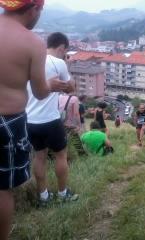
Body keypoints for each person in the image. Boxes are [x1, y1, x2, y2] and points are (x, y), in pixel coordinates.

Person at [0, 1, 68, 239]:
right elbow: (40, 92)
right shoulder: (32, 43)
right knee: (2, 190)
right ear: (34, 9)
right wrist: (51, 85)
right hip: (7, 122)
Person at [26, 32, 78, 206]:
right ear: (62, 47)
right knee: (60, 156)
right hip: (50, 120)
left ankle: (43, 197)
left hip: (30, 120)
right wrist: (67, 67)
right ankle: (63, 194)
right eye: (65, 51)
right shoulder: (59, 63)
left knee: (38, 157)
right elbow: (71, 88)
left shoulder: (30, 60)